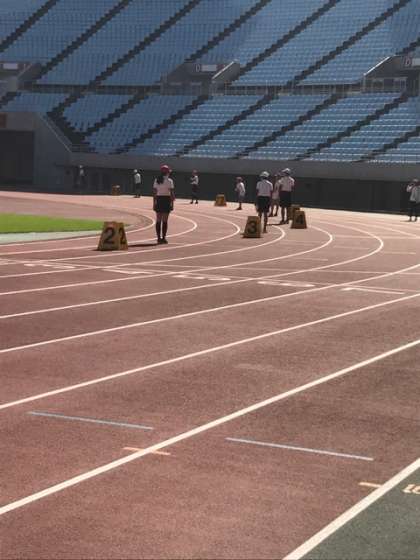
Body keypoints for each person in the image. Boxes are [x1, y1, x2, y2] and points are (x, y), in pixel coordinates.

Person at [153, 164, 175, 244]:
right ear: (167, 172)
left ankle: (158, 238)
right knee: (165, 221)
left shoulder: (156, 180)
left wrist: (154, 203)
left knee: (158, 220)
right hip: (166, 200)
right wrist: (172, 204)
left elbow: (154, 193)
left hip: (159, 200)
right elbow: (172, 194)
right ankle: (164, 238)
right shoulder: (170, 181)